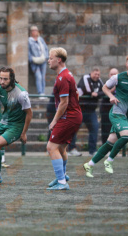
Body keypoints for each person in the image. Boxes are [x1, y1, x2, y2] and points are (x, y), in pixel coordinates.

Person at [83, 54, 128, 178]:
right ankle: (109, 161)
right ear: (126, 64)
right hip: (117, 113)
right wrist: (112, 96)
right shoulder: (118, 77)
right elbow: (105, 87)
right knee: (126, 136)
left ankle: (90, 164)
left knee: (110, 142)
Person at [0, 67, 32, 185]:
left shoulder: (21, 94)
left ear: (12, 79)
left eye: (5, 79)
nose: (2, 81)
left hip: (16, 126)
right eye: (1, 78)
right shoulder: (0, 89)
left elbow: (29, 113)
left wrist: (23, 133)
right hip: (3, 123)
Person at [46, 47, 82, 190]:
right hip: (73, 116)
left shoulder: (63, 77)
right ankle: (62, 176)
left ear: (58, 60)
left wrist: (54, 121)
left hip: (69, 117)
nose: (48, 61)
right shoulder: (67, 74)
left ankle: (61, 182)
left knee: (51, 147)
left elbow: (64, 102)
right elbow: (76, 94)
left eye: (50, 58)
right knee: (60, 148)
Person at [68, 67, 104, 156]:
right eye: (95, 74)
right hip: (80, 110)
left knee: (94, 129)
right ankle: (71, 149)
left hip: (91, 111)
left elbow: (104, 90)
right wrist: (94, 94)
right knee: (74, 129)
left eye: (98, 74)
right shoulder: (85, 78)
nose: (97, 76)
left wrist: (97, 94)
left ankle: (92, 150)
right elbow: (87, 89)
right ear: (91, 73)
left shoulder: (100, 81)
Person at [28, 25, 49, 99]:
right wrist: (31, 59)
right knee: (38, 77)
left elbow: (45, 48)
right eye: (33, 30)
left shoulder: (40, 39)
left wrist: (46, 57)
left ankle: (43, 93)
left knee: (43, 77)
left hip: (43, 60)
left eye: (36, 30)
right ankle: (40, 93)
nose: (35, 32)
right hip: (35, 62)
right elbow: (28, 51)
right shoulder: (29, 40)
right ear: (31, 32)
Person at [100, 68, 119, 145]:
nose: (113, 76)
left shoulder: (122, 84)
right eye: (111, 74)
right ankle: (105, 147)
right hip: (106, 111)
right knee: (105, 129)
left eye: (115, 74)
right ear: (109, 75)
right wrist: (112, 89)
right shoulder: (106, 84)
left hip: (118, 111)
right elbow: (101, 93)